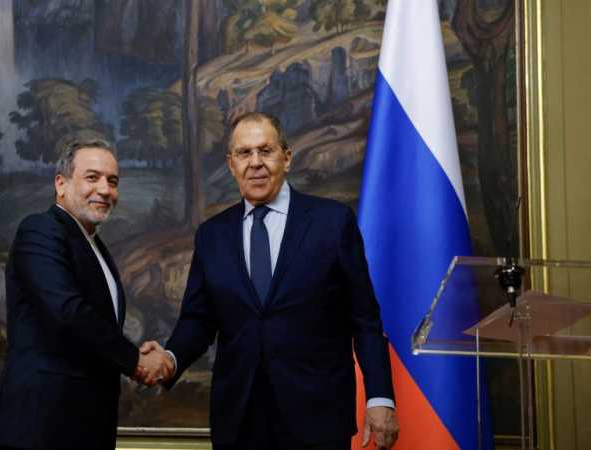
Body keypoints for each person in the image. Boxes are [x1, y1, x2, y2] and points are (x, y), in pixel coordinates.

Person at [142, 113, 400, 450]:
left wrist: (380, 397)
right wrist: (170, 357)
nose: (255, 163)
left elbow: (364, 319)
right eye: (244, 153)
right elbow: (198, 320)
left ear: (286, 158)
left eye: (266, 150)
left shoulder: (332, 222)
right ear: (231, 164)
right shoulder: (212, 235)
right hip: (240, 420)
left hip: (317, 417)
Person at [0, 139, 173, 450]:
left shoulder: (94, 245)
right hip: (40, 426)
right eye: (92, 177)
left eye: (112, 181)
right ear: (61, 184)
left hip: (87, 425)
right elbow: (68, 312)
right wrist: (136, 361)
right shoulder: (40, 230)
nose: (105, 189)